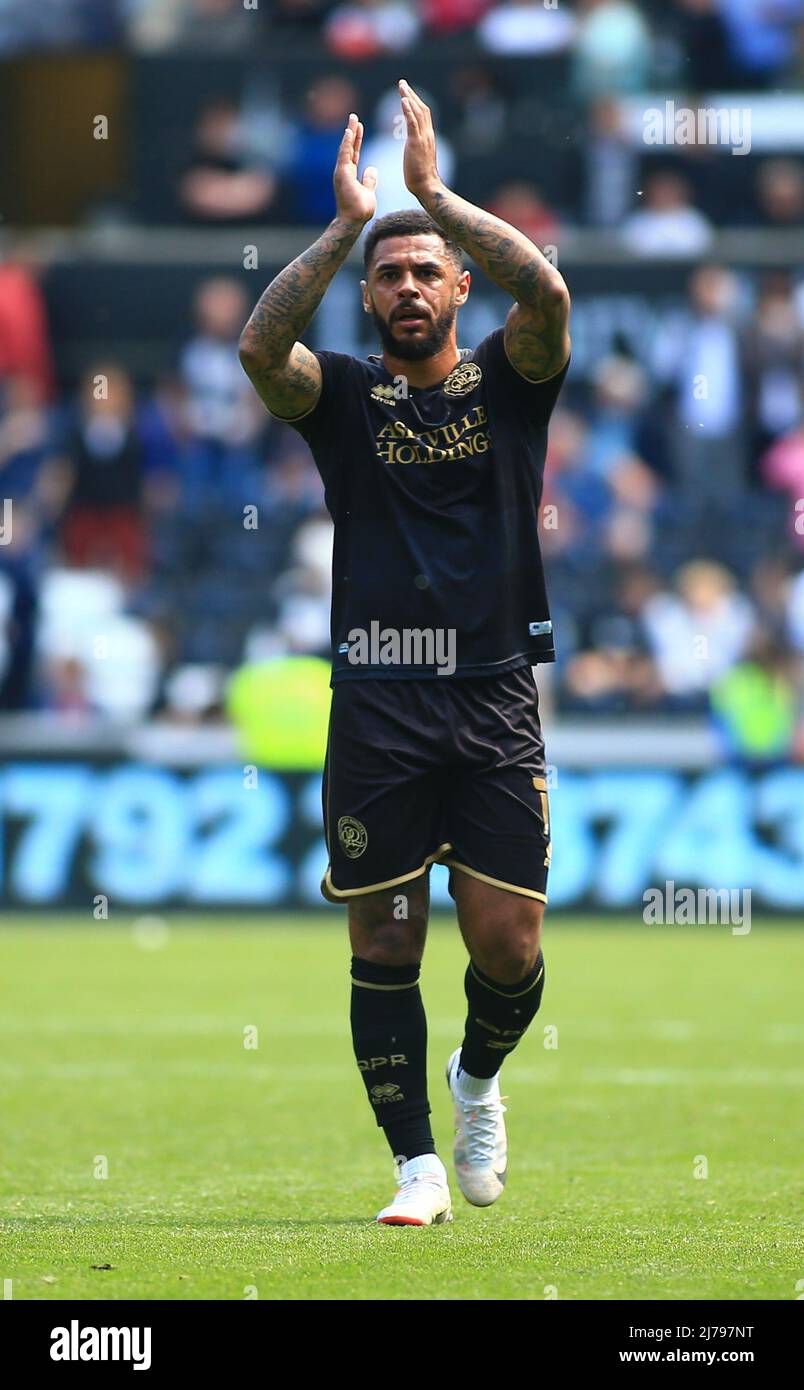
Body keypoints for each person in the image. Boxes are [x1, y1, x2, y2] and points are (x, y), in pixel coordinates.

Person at [239, 80, 570, 1227]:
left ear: (460, 288)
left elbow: (551, 288)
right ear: (370, 297)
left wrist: (431, 195)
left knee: (509, 943)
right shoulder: (341, 396)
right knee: (384, 939)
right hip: (376, 698)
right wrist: (343, 227)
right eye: (391, 274)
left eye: (427, 269)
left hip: (489, 698)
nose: (410, 285)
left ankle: (476, 1081)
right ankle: (416, 1167)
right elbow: (258, 343)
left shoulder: (516, 379)